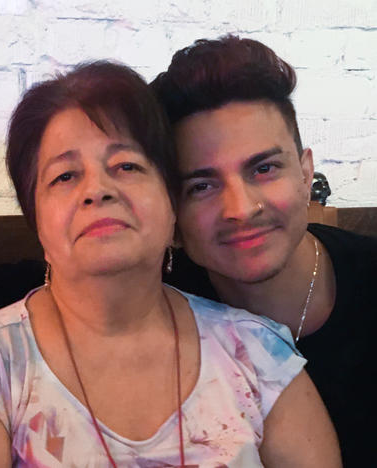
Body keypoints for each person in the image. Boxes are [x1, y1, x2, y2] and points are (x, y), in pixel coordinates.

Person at [0, 61, 340, 467]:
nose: (97, 190)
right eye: (65, 176)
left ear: (172, 204)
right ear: (36, 218)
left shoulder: (258, 354)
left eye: (127, 165)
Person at [152, 35, 377, 466]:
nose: (241, 209)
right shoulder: (155, 306)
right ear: (171, 211)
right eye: (202, 185)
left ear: (306, 171)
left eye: (264, 168)